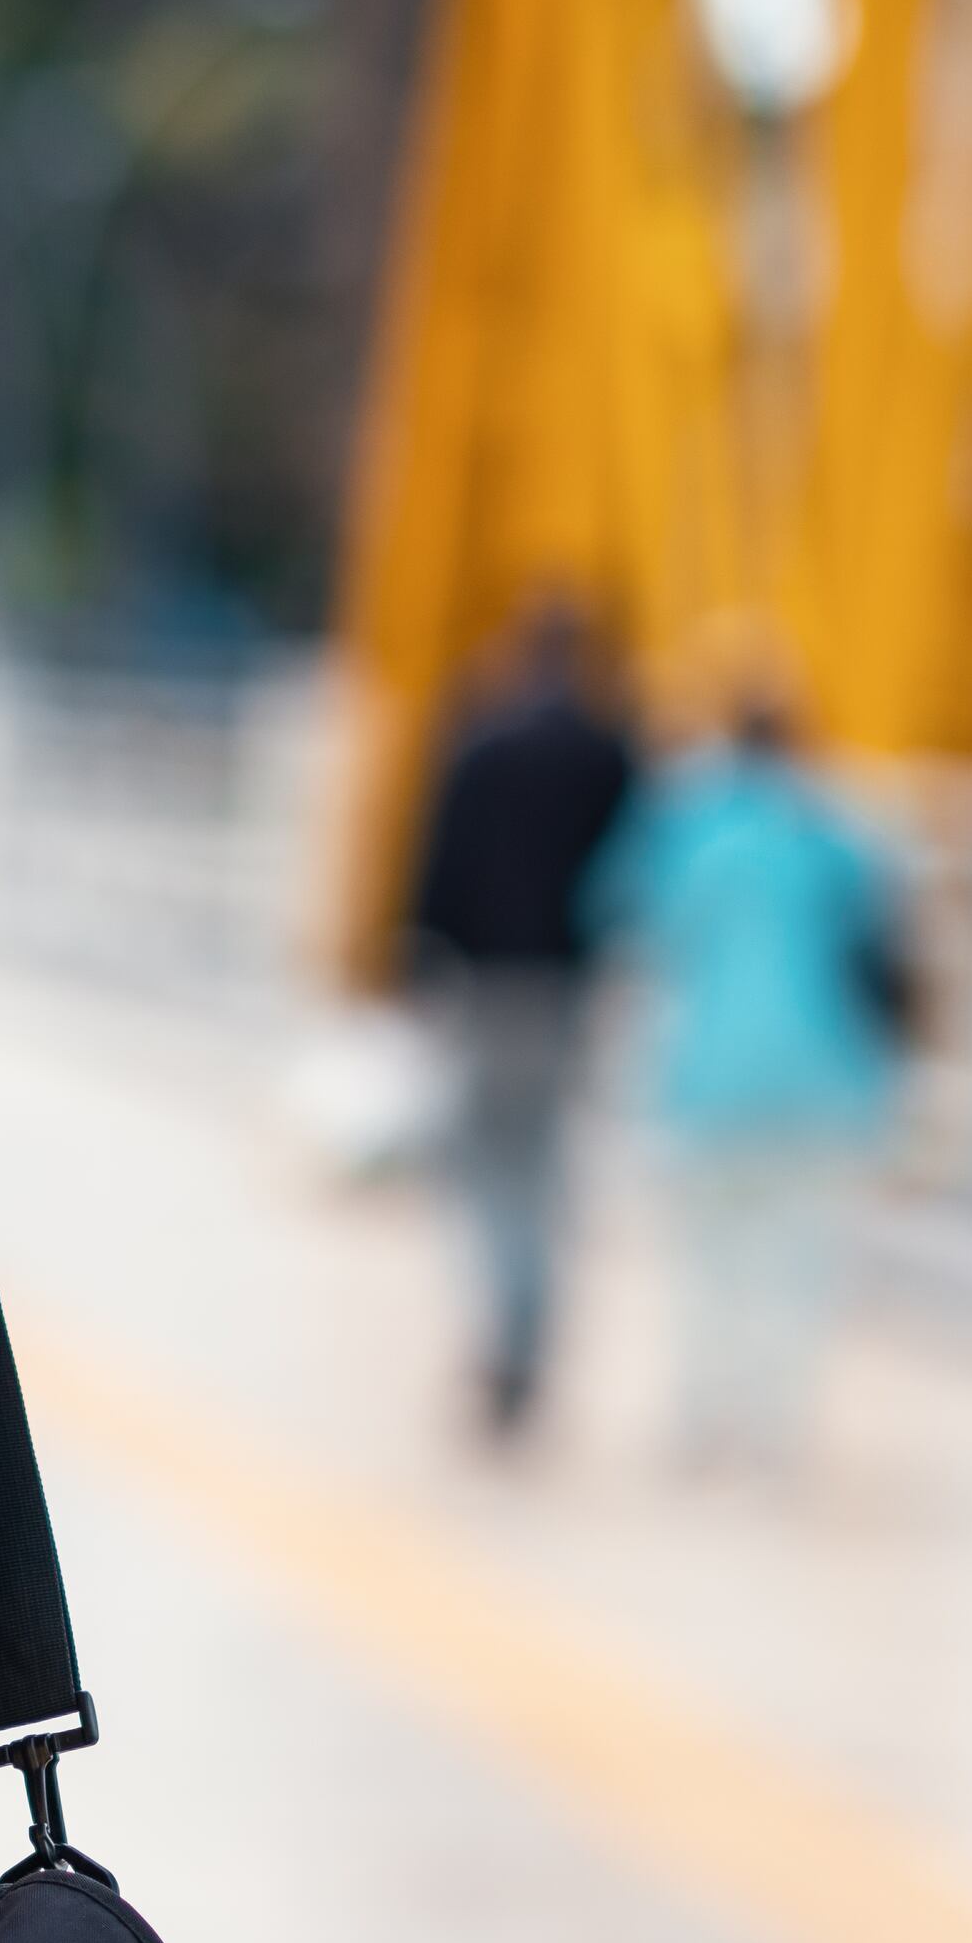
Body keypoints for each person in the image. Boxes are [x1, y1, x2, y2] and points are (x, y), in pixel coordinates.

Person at [587, 689, 907, 1468]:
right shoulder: (839, 833)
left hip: (712, 1076)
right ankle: (778, 1423)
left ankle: (706, 1415)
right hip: (825, 1076)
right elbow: (887, 945)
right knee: (801, 1261)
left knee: (709, 1258)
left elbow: (618, 913)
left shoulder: (692, 831)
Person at [400, 599, 638, 1437]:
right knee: (544, 1163)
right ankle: (533, 1329)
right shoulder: (613, 751)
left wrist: (420, 957)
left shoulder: (483, 737)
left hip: (487, 981)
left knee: (482, 1161)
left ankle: (504, 1327)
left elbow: (439, 855)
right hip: (567, 987)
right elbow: (631, 870)